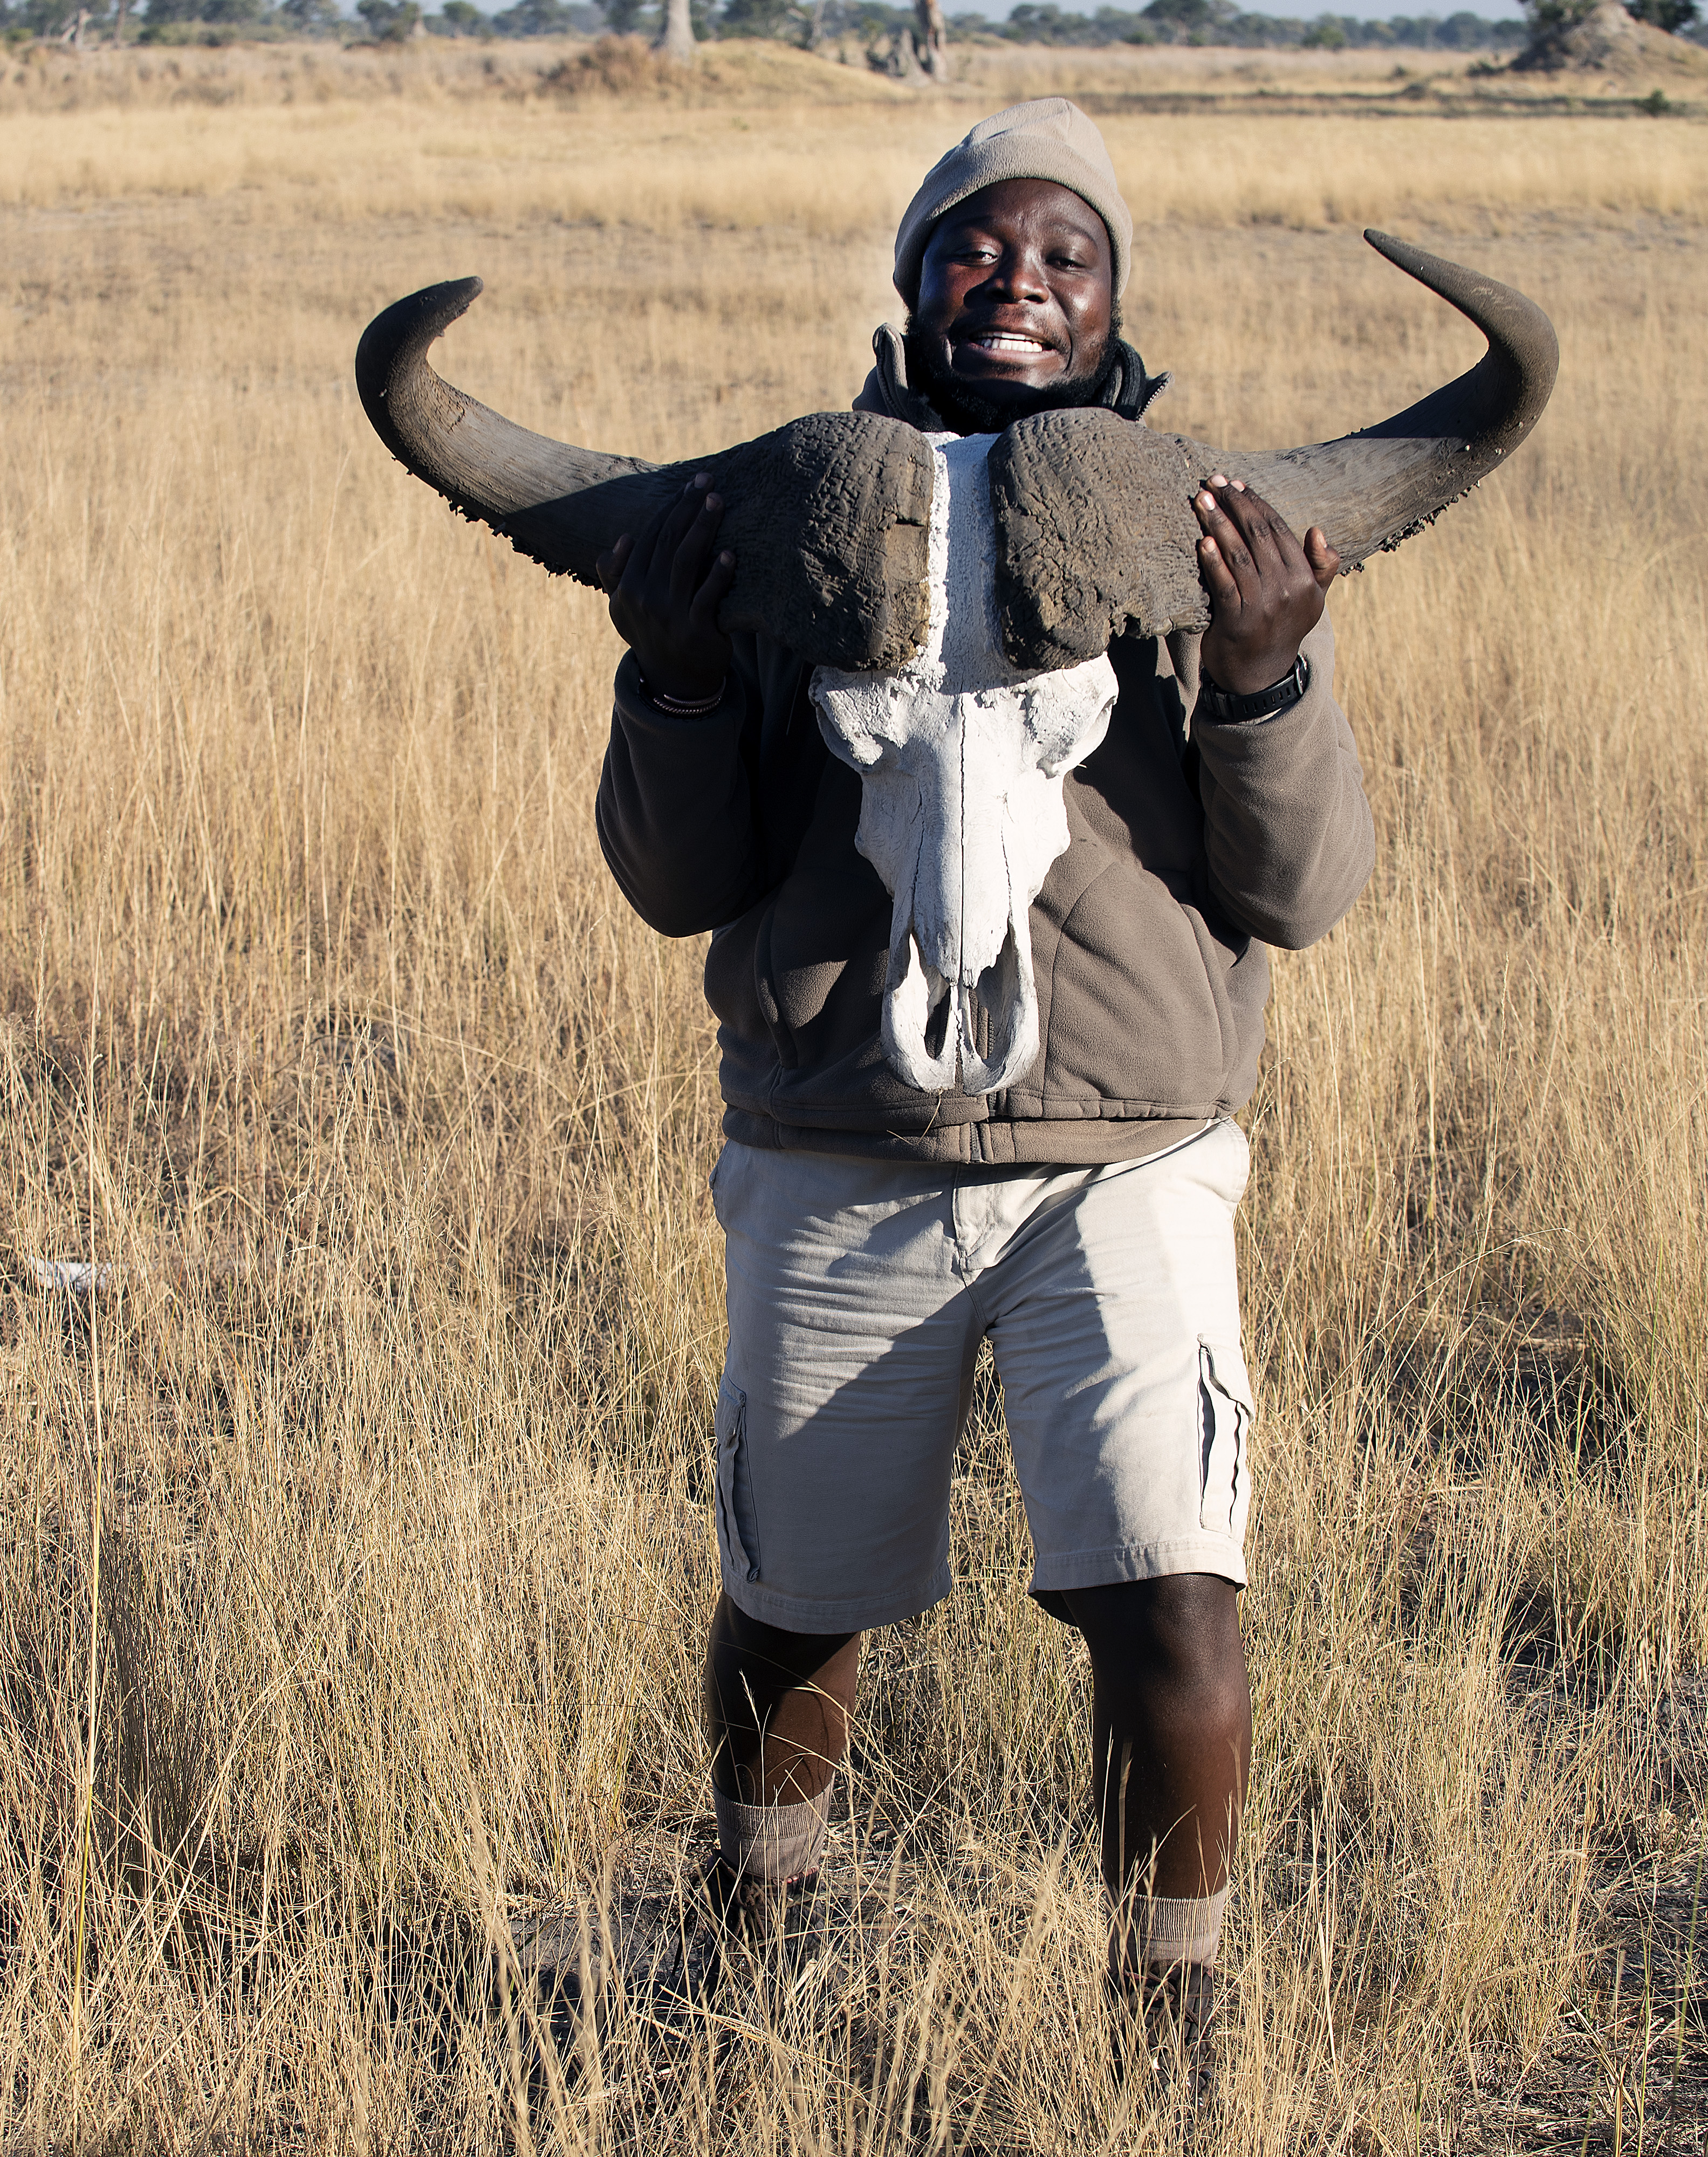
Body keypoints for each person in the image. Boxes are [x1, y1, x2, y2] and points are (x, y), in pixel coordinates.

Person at [594, 98, 1374, 2096]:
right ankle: (752, 1938)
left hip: (1123, 1154)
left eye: (1068, 256)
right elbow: (682, 881)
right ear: (913, 276)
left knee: (1174, 1604)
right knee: (793, 1605)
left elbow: (1303, 894)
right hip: (835, 1145)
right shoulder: (793, 512)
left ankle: (1173, 2025)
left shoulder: (1196, 535)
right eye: (978, 247)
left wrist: (1269, 672)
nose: (1019, 281)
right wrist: (678, 678)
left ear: (1116, 298)